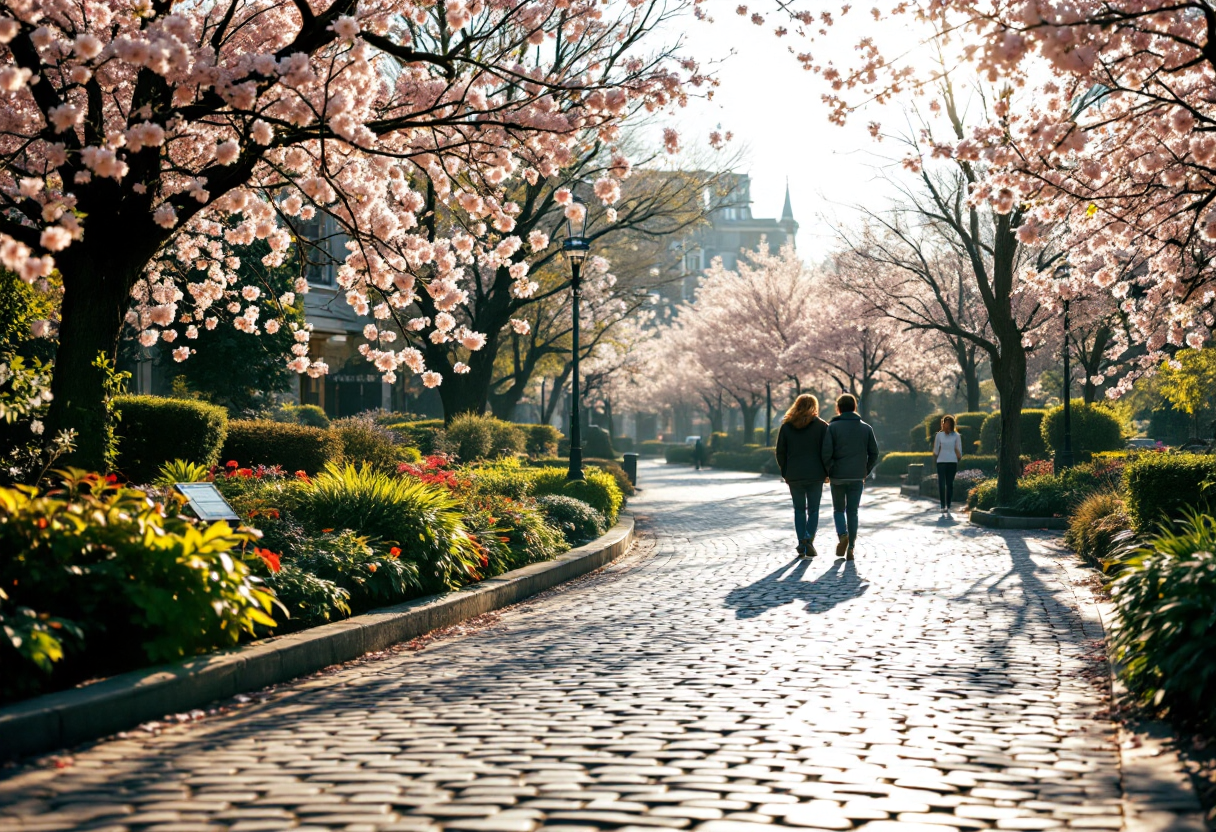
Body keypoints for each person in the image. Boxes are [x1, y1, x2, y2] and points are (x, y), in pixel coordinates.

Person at [821, 393, 879, 560]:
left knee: (839, 509)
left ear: (838, 408)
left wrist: (829, 469)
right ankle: (851, 547)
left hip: (838, 476)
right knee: (852, 512)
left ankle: (842, 534)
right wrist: (865, 470)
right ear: (854, 407)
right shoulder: (866, 428)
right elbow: (874, 453)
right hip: (857, 476)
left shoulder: (832, 428)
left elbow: (826, 453)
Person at [774, 394, 829, 558]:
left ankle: (801, 542)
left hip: (794, 474)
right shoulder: (822, 426)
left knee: (799, 510)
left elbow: (780, 452)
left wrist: (785, 470)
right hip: (816, 474)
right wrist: (827, 472)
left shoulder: (787, 426)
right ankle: (808, 539)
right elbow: (827, 452)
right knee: (814, 510)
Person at [933, 415, 964, 514]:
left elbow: (959, 450)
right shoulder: (939, 435)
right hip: (941, 461)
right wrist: (935, 457)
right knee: (941, 483)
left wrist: (958, 455)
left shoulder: (956, 436)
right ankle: (942, 505)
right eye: (944, 423)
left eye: (948, 423)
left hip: (952, 461)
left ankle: (948, 504)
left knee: (949, 484)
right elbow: (936, 449)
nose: (946, 425)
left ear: (951, 424)